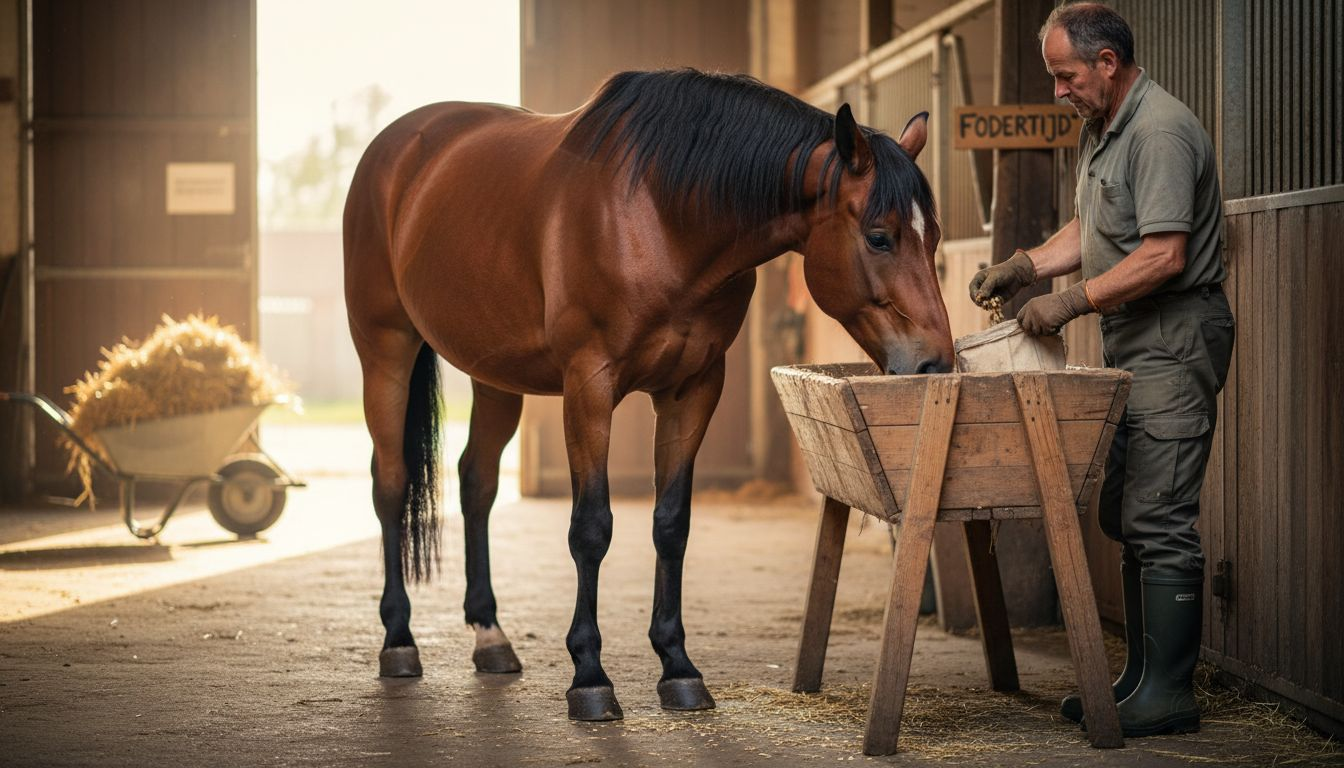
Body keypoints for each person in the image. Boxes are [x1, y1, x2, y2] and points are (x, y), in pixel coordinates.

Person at [968, 2, 1234, 737]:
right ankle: (1138, 677)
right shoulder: (1104, 131)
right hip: (1133, 340)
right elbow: (1095, 227)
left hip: (1174, 336)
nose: (1058, 90)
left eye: (1065, 75)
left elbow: (1163, 253)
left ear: (1107, 65)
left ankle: (1170, 694)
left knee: (1159, 517)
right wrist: (1027, 266)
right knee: (1123, 511)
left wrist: (1070, 303)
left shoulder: (1160, 132)